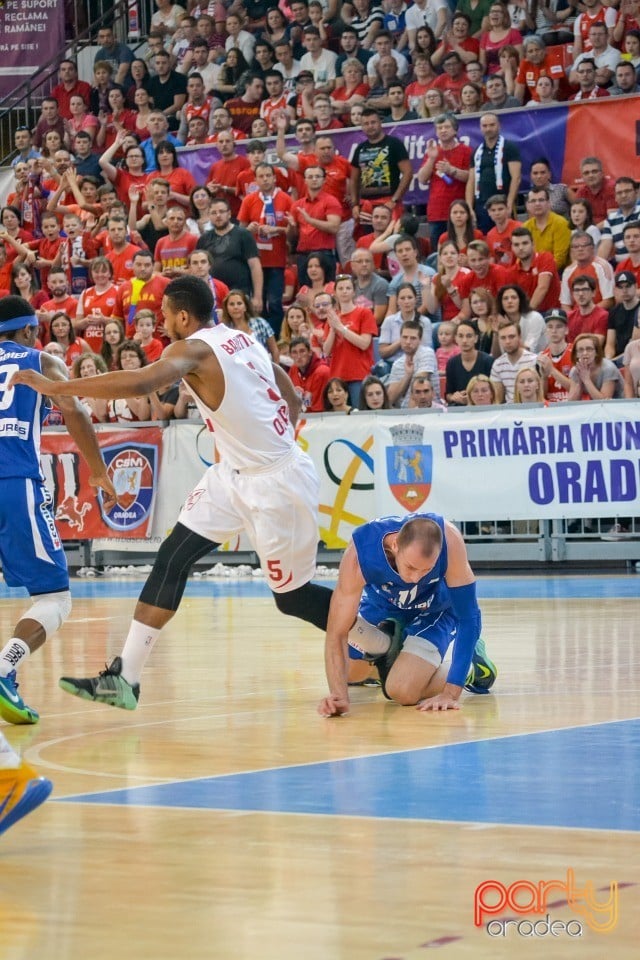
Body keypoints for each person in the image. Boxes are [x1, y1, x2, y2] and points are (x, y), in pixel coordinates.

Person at [14, 276, 334, 710]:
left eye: (165, 314)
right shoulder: (240, 337)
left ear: (184, 315)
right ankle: (124, 677)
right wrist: (289, 413)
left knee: (292, 599)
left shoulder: (192, 349)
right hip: (232, 475)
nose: (162, 322)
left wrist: (58, 387)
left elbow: (141, 384)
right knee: (172, 557)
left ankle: (378, 636)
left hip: (275, 480)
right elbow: (279, 377)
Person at [0, 296, 114, 724]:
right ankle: (4, 669)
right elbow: (75, 411)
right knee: (54, 599)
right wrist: (99, 472)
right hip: (13, 483)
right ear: (29, 331)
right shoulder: (41, 362)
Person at [318, 513, 497, 716]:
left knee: (402, 691)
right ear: (395, 546)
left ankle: (472, 669)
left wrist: (451, 692)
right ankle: (397, 662)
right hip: (385, 604)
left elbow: (469, 617)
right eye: (410, 567)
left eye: (426, 570)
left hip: (435, 609)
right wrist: (338, 695)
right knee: (349, 674)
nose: (415, 578)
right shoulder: (360, 554)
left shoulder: (451, 541)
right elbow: (337, 630)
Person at [465, 113, 522, 233]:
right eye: (484, 126)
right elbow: (471, 181)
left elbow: (516, 178)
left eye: (492, 125)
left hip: (503, 203)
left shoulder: (509, 147)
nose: (488, 129)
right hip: (482, 205)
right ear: (480, 128)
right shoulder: (476, 151)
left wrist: (509, 204)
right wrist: (469, 208)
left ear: (499, 126)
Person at [490, 319, 538, 402]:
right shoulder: (497, 364)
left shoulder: (533, 360)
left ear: (519, 337)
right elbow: (498, 399)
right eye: (503, 338)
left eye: (511, 337)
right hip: (509, 411)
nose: (507, 341)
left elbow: (540, 392)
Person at [567, 333, 623, 400]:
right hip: (595, 406)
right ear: (576, 354)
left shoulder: (608, 368)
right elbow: (572, 402)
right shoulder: (575, 370)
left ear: (596, 352)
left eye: (589, 349)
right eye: (581, 350)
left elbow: (604, 402)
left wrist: (586, 380)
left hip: (619, 404)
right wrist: (580, 383)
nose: (585, 353)